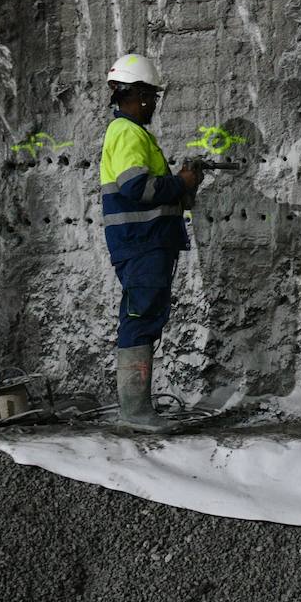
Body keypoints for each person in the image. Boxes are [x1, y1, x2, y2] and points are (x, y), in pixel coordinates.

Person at [99, 53, 203, 432]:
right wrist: (181, 183)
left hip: (145, 242)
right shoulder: (127, 132)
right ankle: (136, 413)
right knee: (140, 318)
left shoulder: (132, 133)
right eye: (152, 97)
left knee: (143, 316)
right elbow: (135, 187)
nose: (153, 104)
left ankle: (136, 411)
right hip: (141, 243)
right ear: (139, 95)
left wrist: (183, 185)